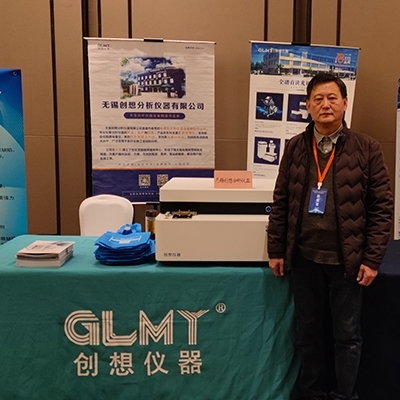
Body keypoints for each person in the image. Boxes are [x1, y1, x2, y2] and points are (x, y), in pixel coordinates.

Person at [267, 72, 393, 400]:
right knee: (307, 333)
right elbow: (281, 202)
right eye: (318, 99)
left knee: (347, 337)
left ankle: (344, 395)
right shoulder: (295, 147)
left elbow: (382, 208)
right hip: (304, 257)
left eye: (332, 98)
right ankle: (312, 393)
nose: (326, 104)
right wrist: (276, 249)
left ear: (345, 103)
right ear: (308, 106)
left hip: (347, 261)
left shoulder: (367, 148)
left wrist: (372, 259)